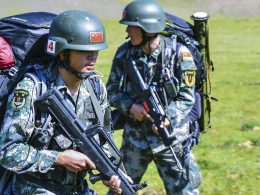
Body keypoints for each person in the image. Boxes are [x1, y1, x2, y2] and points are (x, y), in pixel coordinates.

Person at [0, 10, 123, 195]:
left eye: (95, 50)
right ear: (62, 53)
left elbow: (103, 139)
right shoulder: (33, 87)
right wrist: (58, 158)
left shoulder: (95, 87)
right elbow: (7, 152)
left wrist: (114, 172)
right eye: (84, 50)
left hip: (76, 189)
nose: (93, 57)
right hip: (33, 189)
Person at [106, 0, 202, 194]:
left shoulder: (179, 55)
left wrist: (167, 119)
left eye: (133, 27)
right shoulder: (124, 53)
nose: (128, 32)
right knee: (121, 189)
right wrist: (130, 107)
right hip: (135, 140)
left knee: (184, 191)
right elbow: (111, 91)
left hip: (172, 141)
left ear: (148, 29)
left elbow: (186, 97)